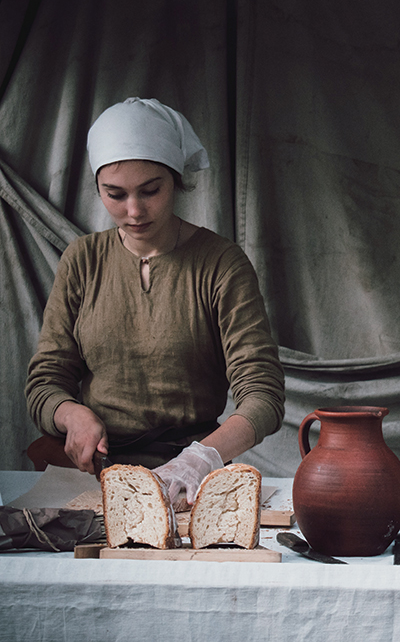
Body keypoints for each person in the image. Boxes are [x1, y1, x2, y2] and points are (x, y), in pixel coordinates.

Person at [24, 97, 285, 504]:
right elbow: (45, 381)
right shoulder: (82, 261)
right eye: (115, 194)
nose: (133, 211)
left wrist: (202, 458)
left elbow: (263, 393)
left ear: (176, 180)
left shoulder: (220, 264)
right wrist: (72, 414)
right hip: (95, 478)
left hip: (191, 480)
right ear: (97, 188)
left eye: (150, 191)